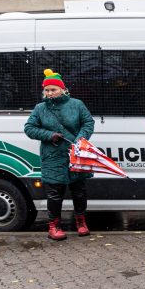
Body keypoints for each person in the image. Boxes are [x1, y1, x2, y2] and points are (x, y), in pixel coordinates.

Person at [23, 69, 95, 240]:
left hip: (76, 155)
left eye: (53, 89)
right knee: (55, 193)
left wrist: (79, 140)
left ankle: (81, 221)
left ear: (62, 89)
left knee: (79, 191)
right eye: (47, 90)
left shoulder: (77, 104)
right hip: (52, 157)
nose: (49, 93)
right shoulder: (40, 108)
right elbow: (29, 128)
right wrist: (49, 135)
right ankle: (53, 226)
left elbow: (88, 123)